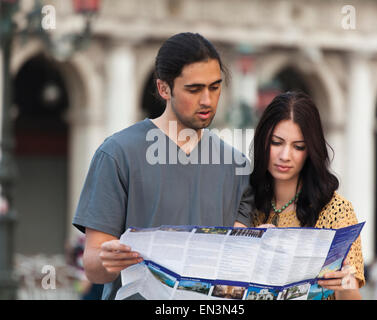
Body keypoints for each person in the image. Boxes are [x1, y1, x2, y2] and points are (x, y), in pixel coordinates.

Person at [72, 32, 252, 300]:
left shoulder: (237, 166)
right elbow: (94, 267)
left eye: (215, 87)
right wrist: (108, 259)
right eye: (194, 89)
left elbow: (239, 260)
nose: (207, 100)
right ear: (163, 88)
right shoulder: (116, 154)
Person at [234, 91, 365, 300]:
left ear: (310, 150)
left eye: (298, 147)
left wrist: (344, 283)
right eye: (277, 142)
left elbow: (352, 291)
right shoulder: (246, 205)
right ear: (262, 142)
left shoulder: (336, 211)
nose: (285, 156)